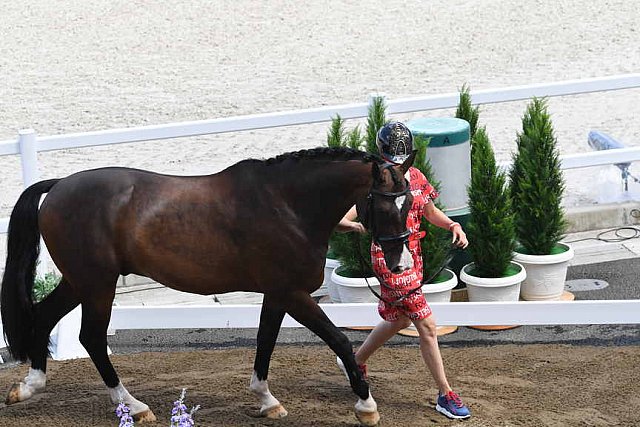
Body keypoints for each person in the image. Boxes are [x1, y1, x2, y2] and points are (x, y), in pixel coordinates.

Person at [335, 121, 471, 420]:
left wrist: (452, 224)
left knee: (397, 320)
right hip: (390, 258)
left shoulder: (417, 177)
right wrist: (350, 224)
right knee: (427, 325)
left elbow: (428, 211)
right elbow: (349, 213)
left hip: (414, 256)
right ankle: (445, 394)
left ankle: (354, 361)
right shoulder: (377, 181)